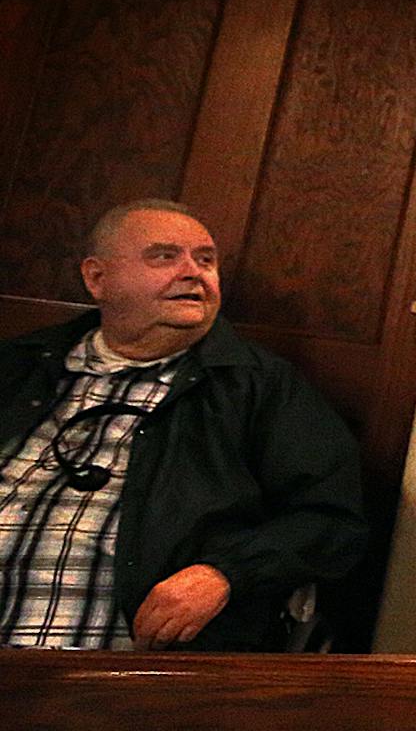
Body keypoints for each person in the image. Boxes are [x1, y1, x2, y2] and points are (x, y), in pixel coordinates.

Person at [0, 199, 366, 651]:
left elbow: (332, 522)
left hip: (124, 678)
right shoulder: (19, 366)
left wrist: (224, 573)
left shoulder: (259, 387)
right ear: (97, 278)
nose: (194, 272)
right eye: (164, 256)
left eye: (206, 260)